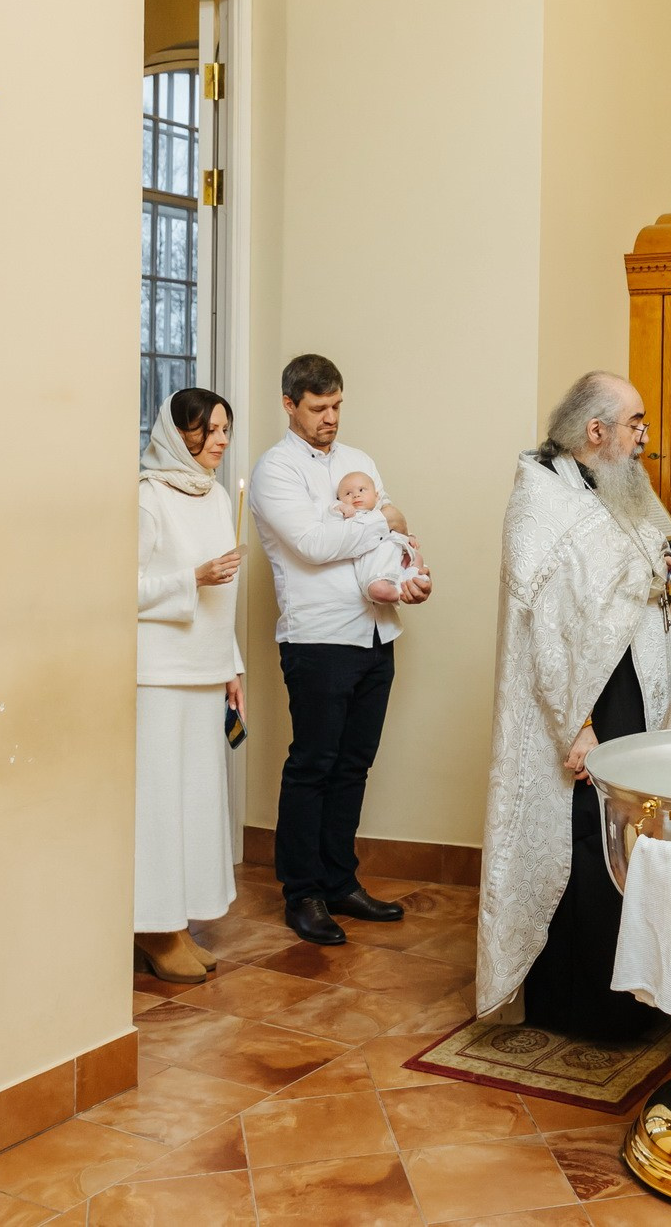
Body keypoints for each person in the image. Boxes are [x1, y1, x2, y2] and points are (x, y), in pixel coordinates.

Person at [476, 370, 671, 1042]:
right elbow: (547, 629)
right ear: (595, 431)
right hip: (576, 703)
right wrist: (580, 725)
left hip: (626, 682)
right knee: (586, 846)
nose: (644, 438)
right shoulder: (540, 502)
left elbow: (646, 557)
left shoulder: (623, 483)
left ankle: (638, 994)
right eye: (635, 424)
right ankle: (584, 1006)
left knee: (630, 836)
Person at [249, 354, 432, 946]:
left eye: (336, 406)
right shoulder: (276, 470)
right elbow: (312, 544)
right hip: (318, 636)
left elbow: (395, 527)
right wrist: (378, 522)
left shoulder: (358, 461)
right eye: (318, 408)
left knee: (354, 764)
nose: (330, 418)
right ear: (290, 406)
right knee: (314, 765)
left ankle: (339, 881)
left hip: (378, 630)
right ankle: (302, 893)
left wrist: (386, 540)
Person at [135, 388, 244, 983]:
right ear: (180, 434)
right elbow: (122, 587)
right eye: (211, 429)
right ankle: (153, 929)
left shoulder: (218, 495)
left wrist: (232, 667)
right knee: (159, 804)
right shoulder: (148, 499)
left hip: (204, 671)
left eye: (227, 428)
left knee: (195, 802)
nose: (223, 439)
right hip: (158, 676)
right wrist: (191, 577)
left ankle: (176, 923)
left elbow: (220, 597)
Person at [332, 469, 423, 605]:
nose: (356, 495)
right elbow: (332, 514)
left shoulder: (382, 512)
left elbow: (397, 529)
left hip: (397, 559)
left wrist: (409, 536)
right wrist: (341, 508)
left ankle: (411, 576)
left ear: (376, 496)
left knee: (417, 557)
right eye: (348, 493)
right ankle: (401, 591)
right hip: (375, 570)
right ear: (340, 500)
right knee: (378, 590)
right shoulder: (350, 516)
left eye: (362, 490)